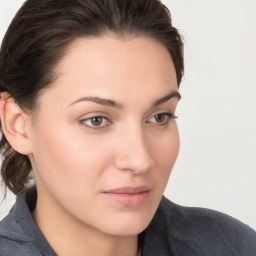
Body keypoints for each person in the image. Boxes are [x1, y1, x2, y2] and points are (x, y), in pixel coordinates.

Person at [0, 0, 255, 255]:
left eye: (159, 117)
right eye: (96, 120)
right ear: (17, 125)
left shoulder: (233, 246)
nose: (140, 160)